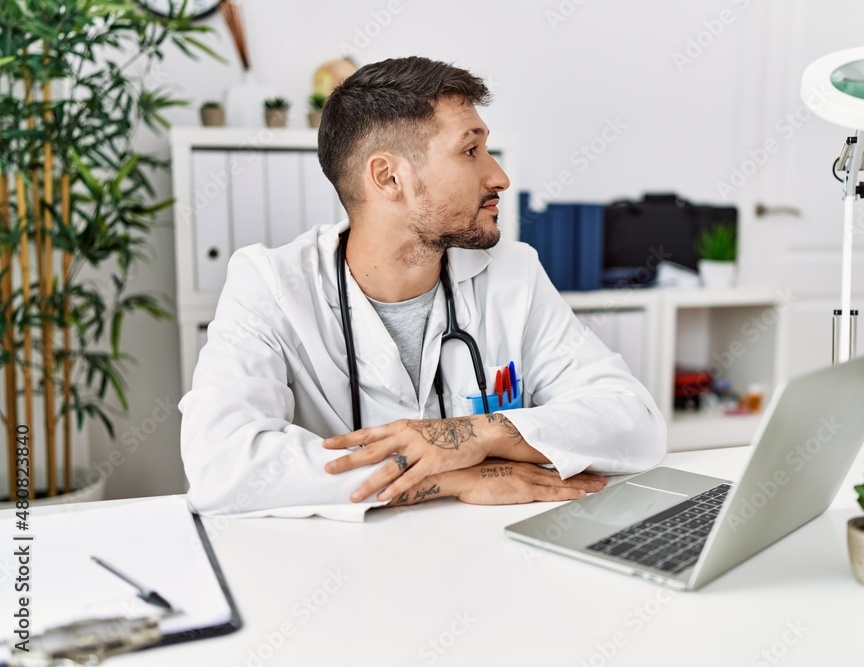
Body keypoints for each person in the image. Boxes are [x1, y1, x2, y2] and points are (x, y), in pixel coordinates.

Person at [179, 56, 666, 521]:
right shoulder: (270, 283)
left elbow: (635, 424)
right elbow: (220, 467)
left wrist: (475, 434)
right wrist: (453, 476)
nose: (499, 176)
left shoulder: (512, 272)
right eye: (470, 150)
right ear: (388, 177)